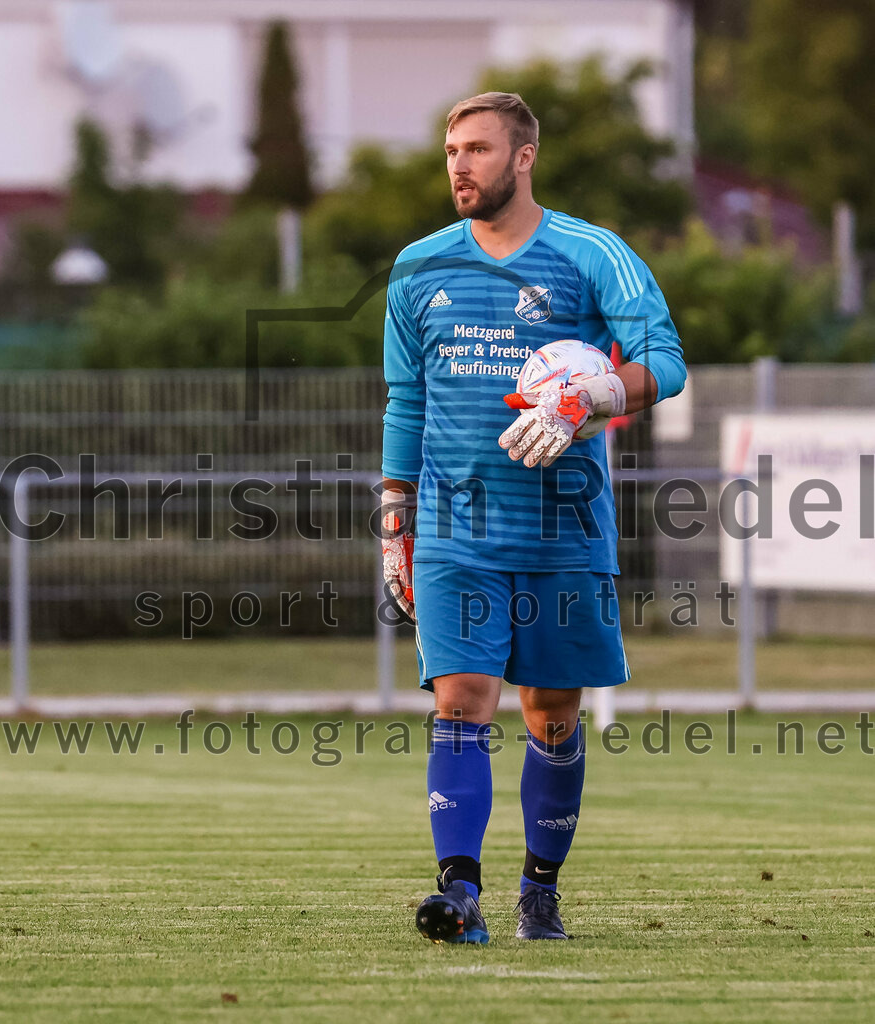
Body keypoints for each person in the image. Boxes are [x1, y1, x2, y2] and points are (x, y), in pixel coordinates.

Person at [380, 92, 686, 944]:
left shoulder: (592, 254)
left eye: (478, 149)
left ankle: (539, 889)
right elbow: (406, 401)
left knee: (551, 712)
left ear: (523, 158)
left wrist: (596, 390)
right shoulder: (418, 268)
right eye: (450, 150)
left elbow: (665, 360)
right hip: (453, 531)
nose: (459, 165)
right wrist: (392, 517)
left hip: (563, 532)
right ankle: (461, 894)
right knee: (463, 699)